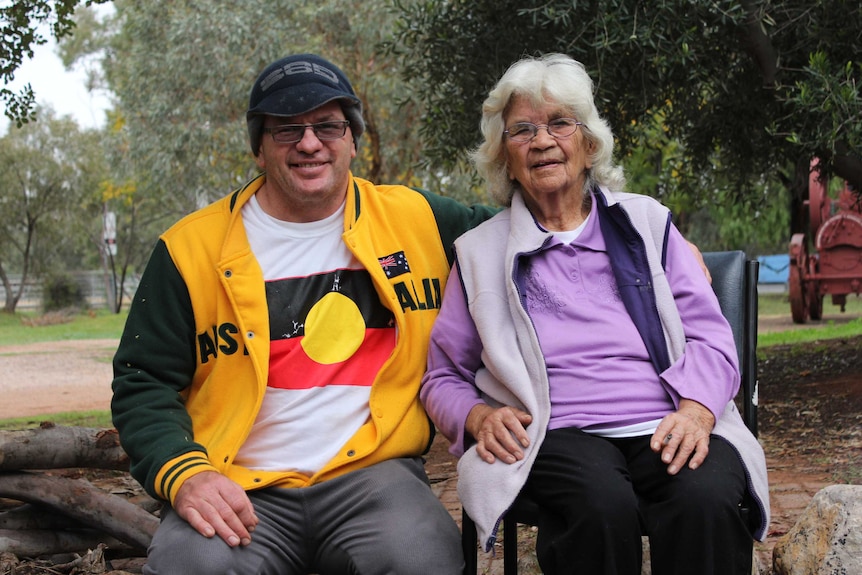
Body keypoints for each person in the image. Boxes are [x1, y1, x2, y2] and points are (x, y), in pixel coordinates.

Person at [111, 53, 497, 574]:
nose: (310, 143)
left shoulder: (419, 220)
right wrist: (187, 476)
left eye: (328, 126)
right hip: (240, 485)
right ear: (259, 149)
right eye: (287, 130)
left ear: (353, 139)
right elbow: (143, 382)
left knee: (419, 558)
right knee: (190, 566)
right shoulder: (189, 251)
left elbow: (537, 230)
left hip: (376, 477)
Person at [420, 53, 770, 575]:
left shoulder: (646, 224)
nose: (542, 141)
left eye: (560, 123)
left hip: (669, 419)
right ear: (504, 156)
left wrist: (697, 411)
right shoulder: (478, 254)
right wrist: (477, 416)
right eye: (522, 130)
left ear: (588, 143)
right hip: (556, 433)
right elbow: (441, 376)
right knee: (599, 505)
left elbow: (713, 340)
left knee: (707, 498)